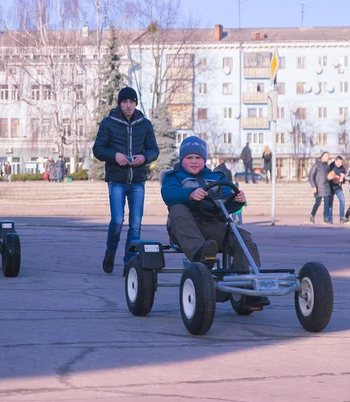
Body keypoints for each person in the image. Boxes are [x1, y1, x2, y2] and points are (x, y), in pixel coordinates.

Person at [161, 136, 269, 307]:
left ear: (204, 160)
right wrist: (189, 195)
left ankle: (246, 286)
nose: (194, 162)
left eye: (198, 158)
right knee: (177, 208)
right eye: (189, 158)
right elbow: (169, 195)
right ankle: (200, 256)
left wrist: (237, 199)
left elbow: (227, 203)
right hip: (185, 229)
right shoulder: (173, 177)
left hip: (213, 226)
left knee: (243, 237)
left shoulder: (216, 177)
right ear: (182, 159)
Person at [93, 86, 159, 274]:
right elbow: (98, 149)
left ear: (136, 104)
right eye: (125, 102)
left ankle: (129, 262)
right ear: (120, 104)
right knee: (117, 220)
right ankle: (110, 252)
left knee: (136, 224)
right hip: (117, 180)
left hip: (137, 180)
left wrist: (144, 157)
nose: (128, 105)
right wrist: (115, 155)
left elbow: (154, 150)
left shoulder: (145, 124)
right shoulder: (108, 123)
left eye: (131, 102)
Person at [308, 151, 331, 224]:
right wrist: (313, 186)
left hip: (326, 187)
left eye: (328, 157)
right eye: (326, 156)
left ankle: (326, 218)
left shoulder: (328, 166)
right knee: (317, 203)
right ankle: (312, 215)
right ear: (322, 157)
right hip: (318, 187)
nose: (327, 158)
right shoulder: (316, 165)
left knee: (327, 203)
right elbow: (311, 176)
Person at [328, 156, 347, 224]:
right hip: (330, 187)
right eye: (339, 162)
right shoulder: (330, 167)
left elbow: (344, 179)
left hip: (338, 187)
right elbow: (328, 177)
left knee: (342, 201)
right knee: (330, 203)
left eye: (341, 162)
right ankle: (330, 219)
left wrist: (342, 178)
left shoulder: (342, 168)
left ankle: (342, 217)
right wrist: (335, 177)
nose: (340, 164)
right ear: (335, 161)